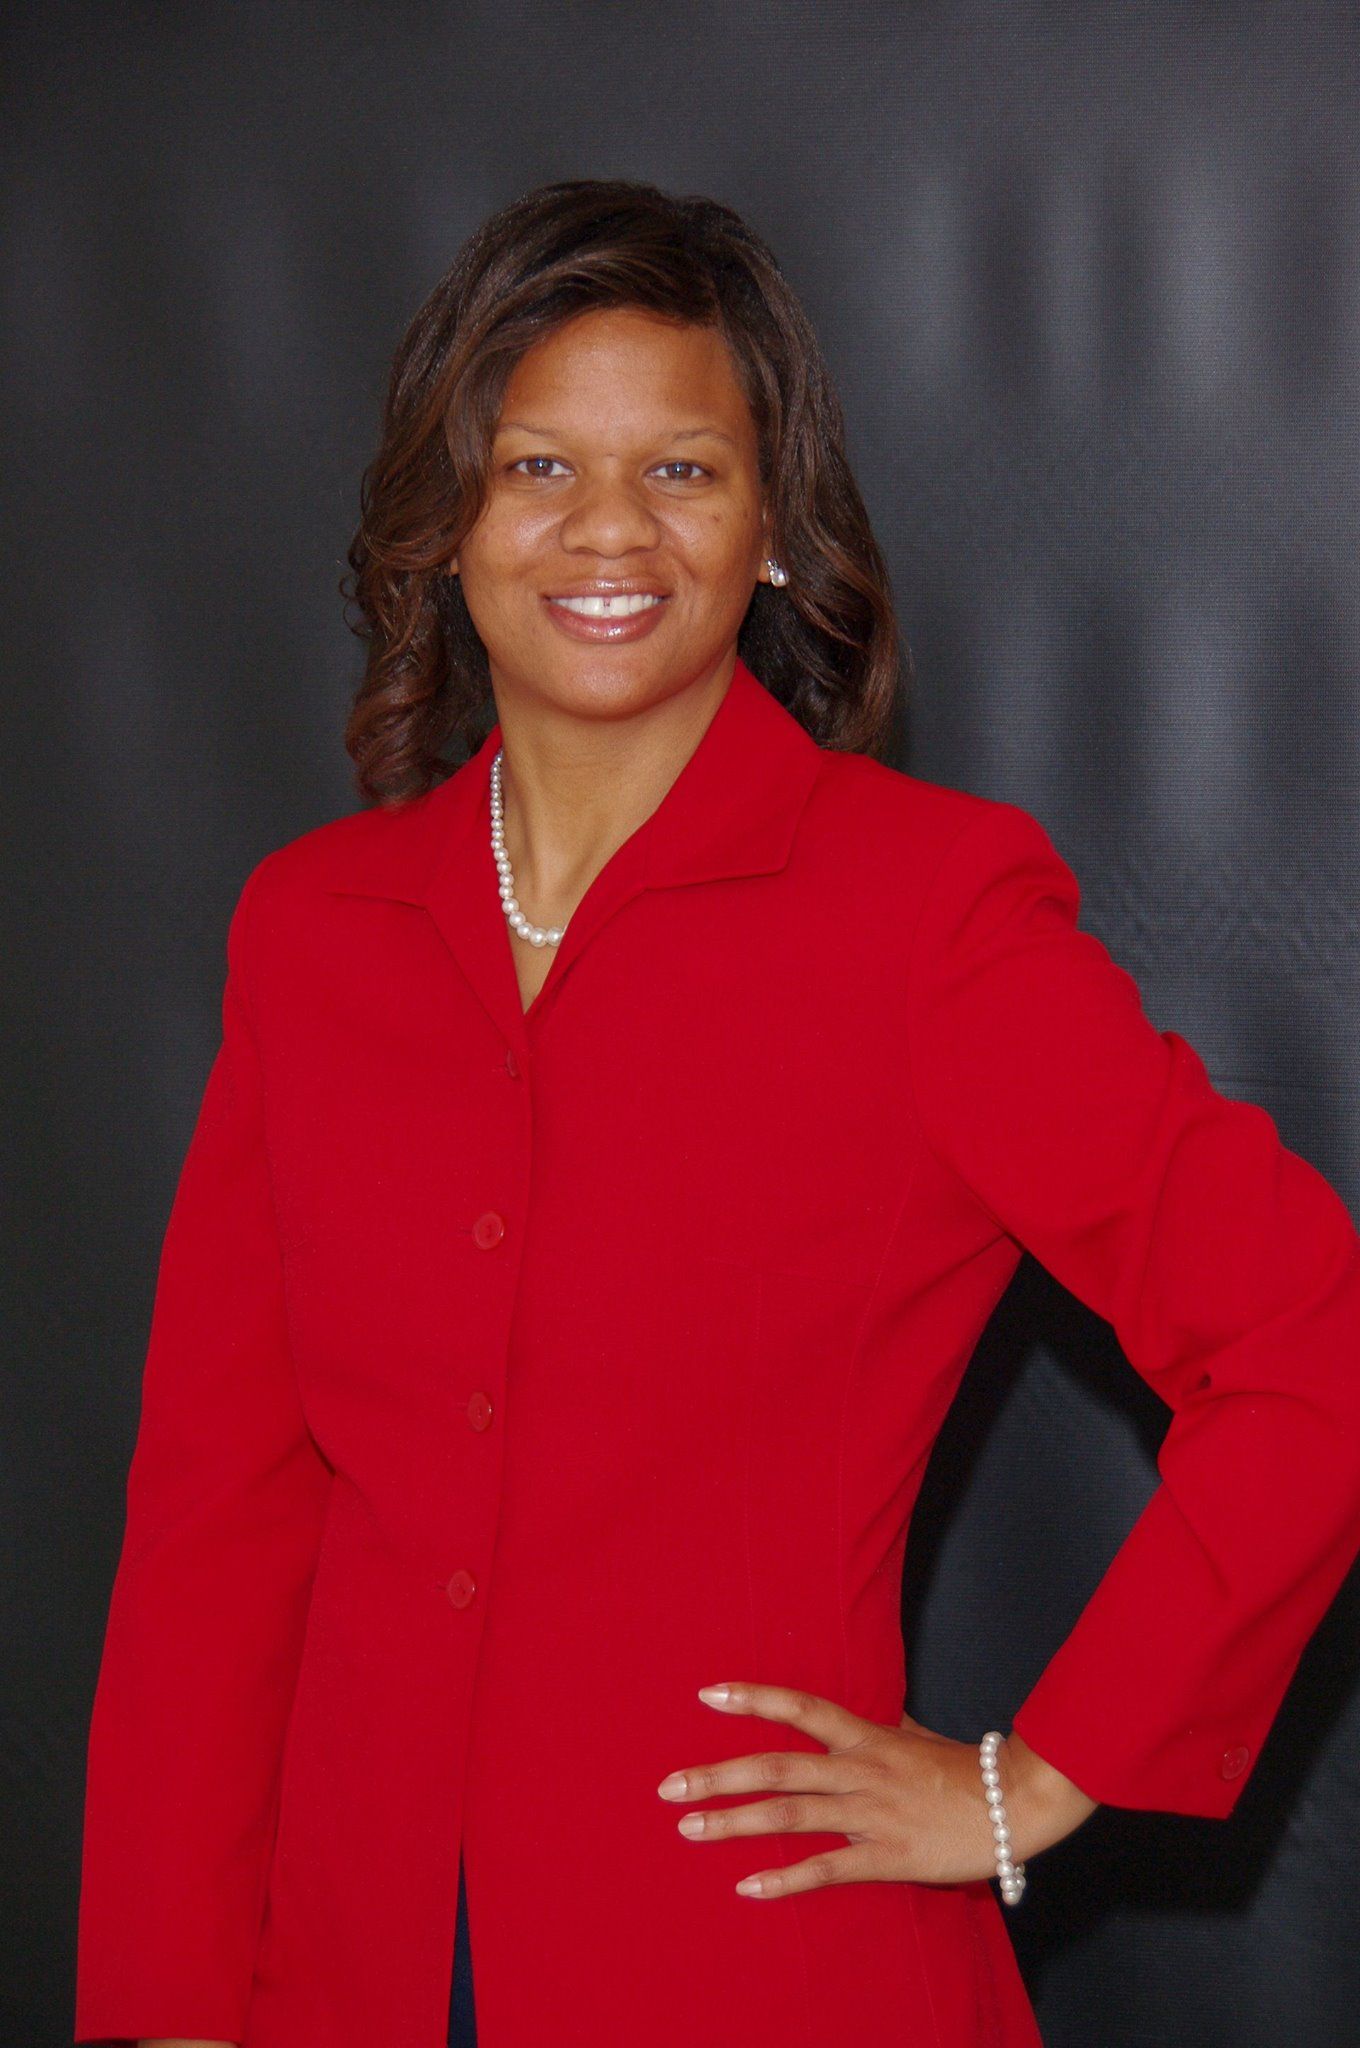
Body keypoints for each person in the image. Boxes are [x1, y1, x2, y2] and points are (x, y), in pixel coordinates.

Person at [74, 178, 1360, 2048]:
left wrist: (1033, 1779)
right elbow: (218, 1531)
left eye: (682, 469)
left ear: (772, 532)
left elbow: (1311, 1343)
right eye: (536, 468)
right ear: (447, 522)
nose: (609, 530)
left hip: (762, 1978)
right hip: (332, 1980)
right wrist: (167, 2005)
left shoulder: (931, 918)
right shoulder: (311, 932)